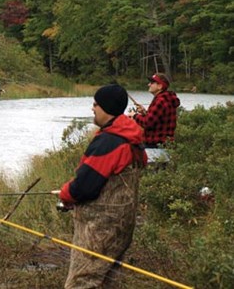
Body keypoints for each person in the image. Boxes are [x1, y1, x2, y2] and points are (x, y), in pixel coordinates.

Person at [57, 84, 146, 288]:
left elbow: (84, 187)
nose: (92, 108)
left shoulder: (109, 142)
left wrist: (65, 194)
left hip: (99, 229)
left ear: (106, 108)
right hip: (123, 225)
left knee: (82, 282)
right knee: (106, 281)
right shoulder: (132, 137)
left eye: (96, 104)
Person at [128, 73, 180, 163]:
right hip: (166, 147)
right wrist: (144, 112)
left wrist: (134, 116)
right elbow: (158, 120)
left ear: (160, 86)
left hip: (155, 147)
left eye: (152, 82)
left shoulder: (160, 100)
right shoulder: (167, 98)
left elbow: (147, 123)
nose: (149, 84)